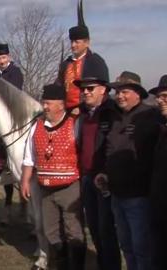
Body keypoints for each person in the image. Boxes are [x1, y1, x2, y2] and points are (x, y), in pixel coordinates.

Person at [94, 71, 160, 270]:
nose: (120, 96)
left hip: (138, 197)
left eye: (125, 92)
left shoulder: (150, 116)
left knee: (142, 247)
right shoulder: (115, 117)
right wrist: (105, 172)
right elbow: (111, 149)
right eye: (118, 92)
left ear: (138, 94)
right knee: (127, 246)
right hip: (116, 195)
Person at [21, 84, 85, 270]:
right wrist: (25, 180)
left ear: (61, 105)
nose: (45, 107)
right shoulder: (36, 127)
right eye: (44, 103)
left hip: (70, 188)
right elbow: (29, 157)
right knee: (51, 231)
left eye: (48, 103)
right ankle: (61, 265)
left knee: (73, 230)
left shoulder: (75, 124)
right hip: (46, 189)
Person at [73, 67, 121, 270]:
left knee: (106, 229)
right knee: (93, 226)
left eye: (90, 88)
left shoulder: (112, 113)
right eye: (83, 89)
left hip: (104, 180)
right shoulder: (83, 115)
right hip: (86, 178)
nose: (85, 92)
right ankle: (102, 263)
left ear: (103, 89)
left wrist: (107, 173)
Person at [0, 41, 24, 223]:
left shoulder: (15, 72)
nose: (1, 61)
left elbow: (14, 93)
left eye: (3, 57)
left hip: (14, 113)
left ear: (8, 57)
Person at [56, 0, 108, 114]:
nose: (73, 45)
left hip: (89, 113)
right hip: (66, 113)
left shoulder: (96, 62)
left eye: (77, 42)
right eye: (72, 42)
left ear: (87, 42)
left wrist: (82, 108)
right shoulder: (66, 64)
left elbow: (103, 91)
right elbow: (59, 87)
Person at [148, 74, 167, 270]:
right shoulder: (160, 127)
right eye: (159, 96)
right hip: (158, 205)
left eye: (165, 96)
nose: (160, 100)